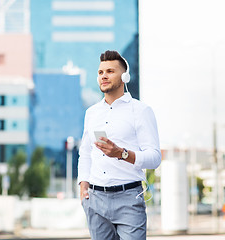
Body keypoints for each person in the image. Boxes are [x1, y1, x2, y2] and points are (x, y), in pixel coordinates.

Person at [78, 50, 161, 239]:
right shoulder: (91, 113)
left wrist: (122, 154)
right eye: (100, 73)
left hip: (128, 199)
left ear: (124, 76)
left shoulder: (141, 111)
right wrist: (83, 186)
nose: (104, 76)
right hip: (95, 200)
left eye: (110, 71)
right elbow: (85, 152)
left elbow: (155, 158)